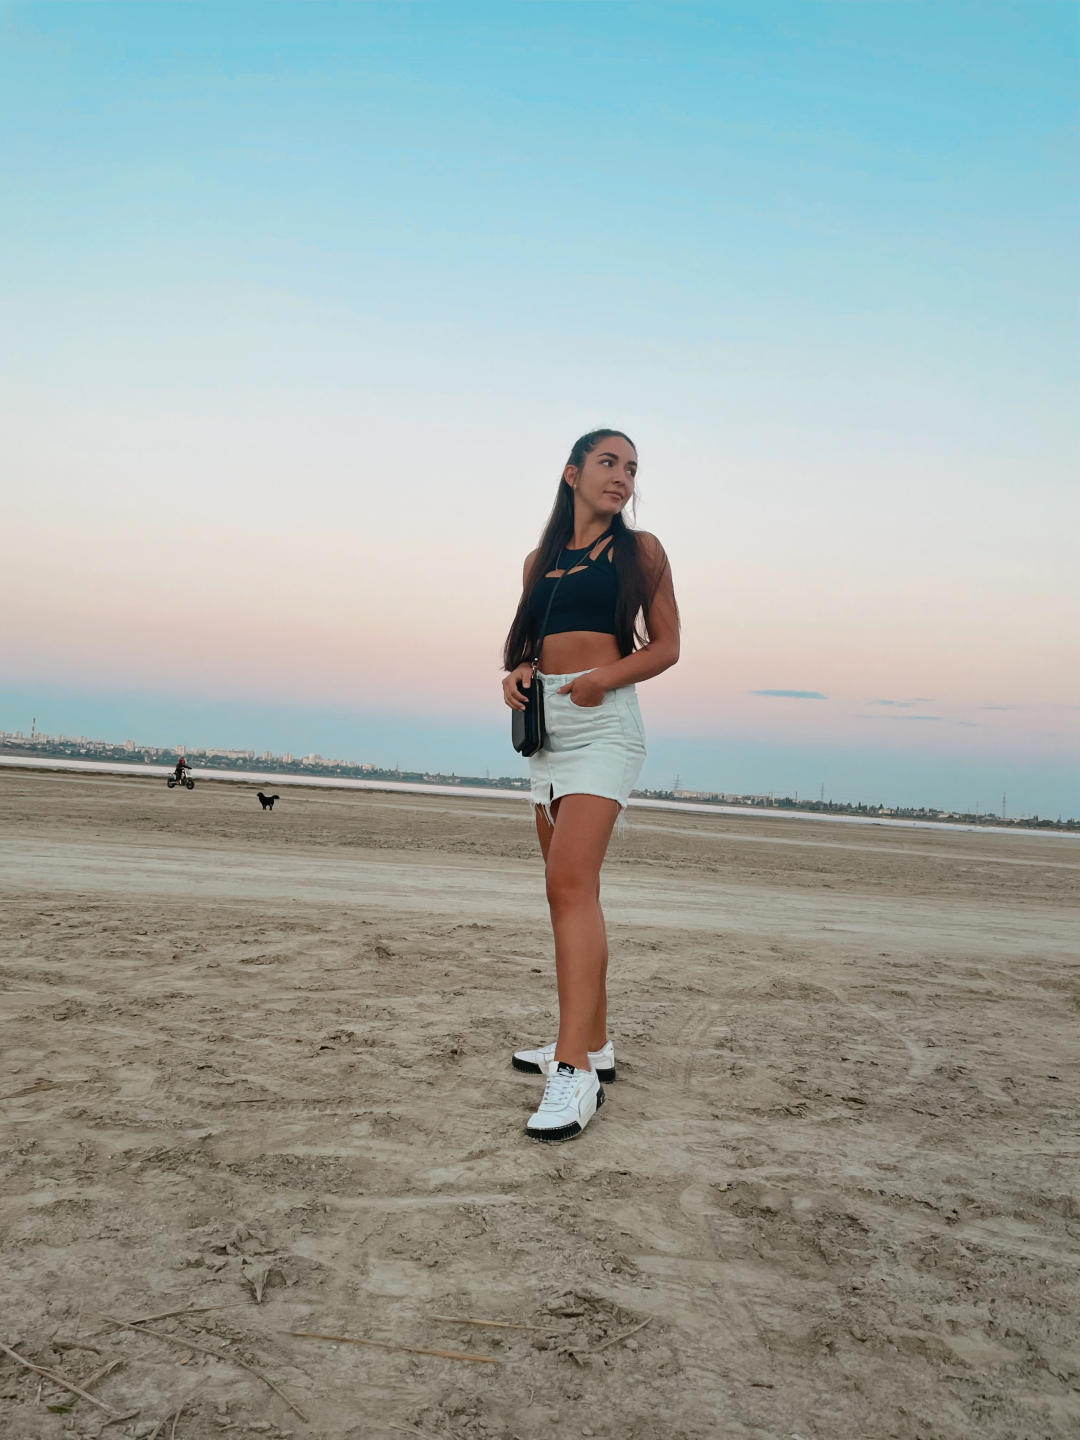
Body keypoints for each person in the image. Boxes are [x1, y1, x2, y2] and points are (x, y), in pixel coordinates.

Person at [501, 428, 680, 1142]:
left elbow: (667, 647)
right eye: (609, 463)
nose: (622, 476)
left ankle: (573, 1072)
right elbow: (524, 646)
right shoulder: (538, 561)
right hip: (551, 729)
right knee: (568, 891)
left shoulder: (642, 552)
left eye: (632, 468)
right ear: (572, 473)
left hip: (604, 725)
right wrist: (516, 675)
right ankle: (593, 1042)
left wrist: (602, 678)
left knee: (569, 886)